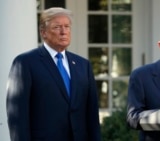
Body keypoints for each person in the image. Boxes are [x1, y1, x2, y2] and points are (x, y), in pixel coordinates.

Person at [6, 7, 101, 141]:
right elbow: (17, 116)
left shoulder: (83, 65)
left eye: (67, 27)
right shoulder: (25, 63)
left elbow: (92, 115)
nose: (64, 32)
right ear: (43, 32)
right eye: (57, 27)